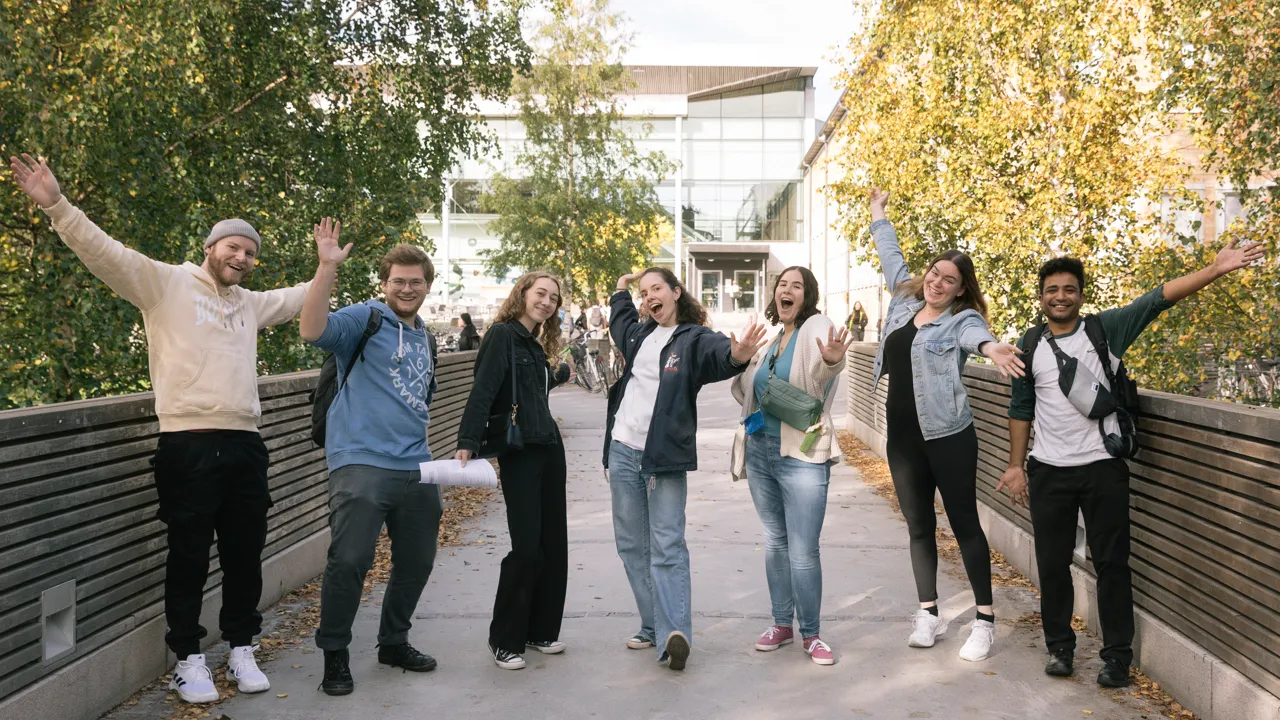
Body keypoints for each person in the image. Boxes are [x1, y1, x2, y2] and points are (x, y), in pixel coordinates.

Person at [9, 154, 310, 704]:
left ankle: (241, 647)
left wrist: (330, 265)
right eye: (232, 247)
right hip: (187, 444)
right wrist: (56, 204)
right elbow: (105, 253)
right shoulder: (165, 285)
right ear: (211, 248)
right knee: (189, 555)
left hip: (245, 443)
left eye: (249, 253)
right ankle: (189, 658)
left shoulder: (249, 304)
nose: (240, 257)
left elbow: (301, 298)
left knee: (246, 554)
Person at [997, 242, 1264, 688]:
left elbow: (1157, 299)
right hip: (1048, 471)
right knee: (1052, 564)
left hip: (1103, 468)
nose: (1059, 296)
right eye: (1051, 290)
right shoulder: (1029, 344)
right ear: (1040, 297)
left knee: (1112, 565)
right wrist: (1015, 465)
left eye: (1068, 289)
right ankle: (1060, 648)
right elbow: (1021, 408)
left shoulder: (1106, 331)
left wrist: (1215, 269)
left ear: (1081, 295)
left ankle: (1116, 658)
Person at [868, 188, 1025, 662]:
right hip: (904, 440)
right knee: (918, 526)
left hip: (950, 438)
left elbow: (977, 335)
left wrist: (991, 348)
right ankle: (929, 613)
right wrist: (879, 214)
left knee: (964, 527)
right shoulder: (903, 300)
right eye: (935, 273)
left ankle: (984, 621)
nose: (937, 283)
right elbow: (889, 254)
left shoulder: (963, 319)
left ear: (961, 289)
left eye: (949, 280)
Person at [299, 224, 443, 696]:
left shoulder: (426, 337)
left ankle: (393, 641)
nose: (407, 288)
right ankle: (335, 653)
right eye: (398, 280)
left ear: (427, 285)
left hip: (416, 466)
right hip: (360, 460)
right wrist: (326, 267)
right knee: (351, 561)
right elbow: (312, 329)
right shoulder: (366, 318)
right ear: (384, 283)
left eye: (415, 281)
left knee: (417, 561)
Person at [605, 267, 766, 671]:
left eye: (656, 288)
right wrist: (620, 290)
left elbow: (719, 356)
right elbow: (620, 321)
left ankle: (673, 635)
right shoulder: (640, 334)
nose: (649, 297)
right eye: (645, 293)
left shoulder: (692, 338)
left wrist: (739, 354)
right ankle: (651, 624)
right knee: (630, 545)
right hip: (623, 449)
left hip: (661, 457)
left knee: (667, 545)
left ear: (676, 292)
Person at [730, 267, 854, 666]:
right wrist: (742, 360)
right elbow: (747, 389)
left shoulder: (814, 325)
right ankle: (782, 623)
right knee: (775, 542)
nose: (787, 290)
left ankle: (812, 634)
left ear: (808, 295)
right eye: (782, 285)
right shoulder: (771, 338)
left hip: (800, 453)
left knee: (803, 550)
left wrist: (833, 362)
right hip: (761, 448)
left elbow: (819, 376)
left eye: (796, 286)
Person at [454, 271, 573, 671]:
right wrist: (468, 441)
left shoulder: (535, 344)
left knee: (553, 543)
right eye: (541, 293)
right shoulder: (502, 335)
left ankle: (539, 630)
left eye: (553, 298)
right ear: (522, 293)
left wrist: (556, 376)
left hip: (550, 448)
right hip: (520, 452)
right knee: (525, 546)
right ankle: (504, 638)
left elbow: (528, 393)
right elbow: (485, 389)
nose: (546, 302)